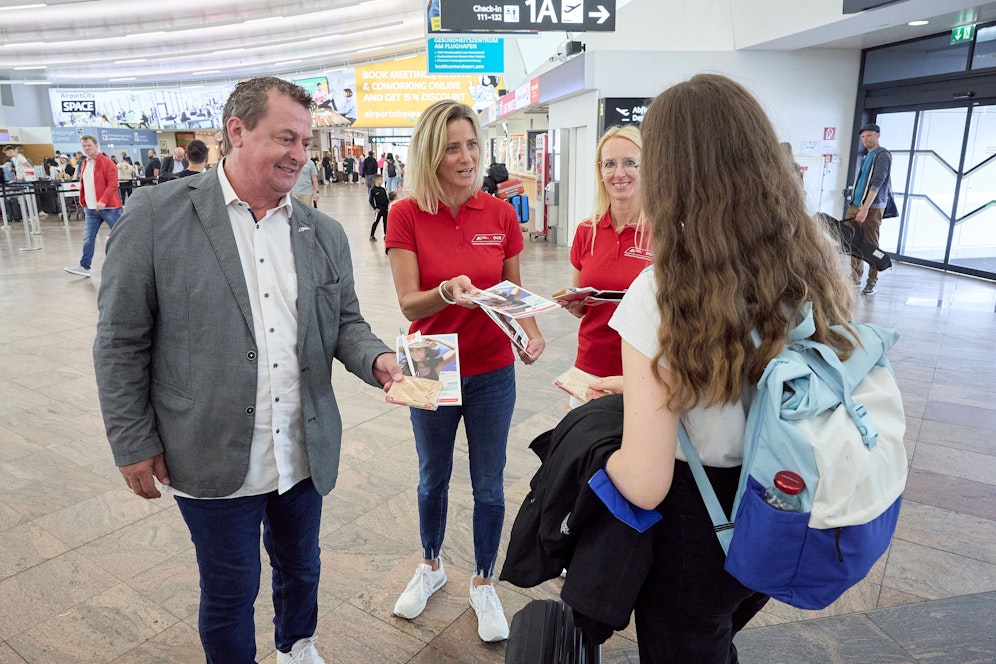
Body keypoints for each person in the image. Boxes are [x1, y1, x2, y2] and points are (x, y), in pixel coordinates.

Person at [92, 76, 404, 664]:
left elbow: (345, 324)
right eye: (285, 137)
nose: (299, 155)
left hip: (302, 451)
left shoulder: (324, 232)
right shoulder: (157, 216)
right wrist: (132, 440)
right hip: (209, 450)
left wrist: (380, 360)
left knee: (301, 569)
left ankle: (296, 647)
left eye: (306, 142)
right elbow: (119, 341)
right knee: (231, 592)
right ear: (235, 132)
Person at [602, 73, 855, 663]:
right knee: (717, 635)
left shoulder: (661, 292)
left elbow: (645, 480)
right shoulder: (810, 261)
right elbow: (756, 375)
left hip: (701, 526)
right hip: (787, 504)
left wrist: (593, 455)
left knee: (689, 639)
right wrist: (632, 386)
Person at [385, 99, 546, 643]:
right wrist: (446, 291)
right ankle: (430, 567)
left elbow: (510, 291)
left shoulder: (499, 213)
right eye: (453, 147)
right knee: (432, 476)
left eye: (472, 144)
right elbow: (409, 305)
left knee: (489, 485)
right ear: (431, 153)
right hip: (429, 357)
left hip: (492, 364)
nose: (466, 156)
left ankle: (483, 581)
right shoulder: (405, 213)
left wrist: (530, 330)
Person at [561, 126, 652, 407]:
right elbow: (582, 308)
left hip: (644, 371)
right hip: (590, 368)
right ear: (600, 172)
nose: (618, 173)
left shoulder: (665, 233)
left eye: (629, 163)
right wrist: (575, 304)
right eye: (610, 164)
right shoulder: (586, 231)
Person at [847, 122, 895, 295]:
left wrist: (865, 209)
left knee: (871, 245)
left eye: (869, 136)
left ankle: (872, 281)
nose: (865, 139)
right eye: (863, 137)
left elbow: (877, 183)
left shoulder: (883, 155)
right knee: (852, 242)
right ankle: (854, 277)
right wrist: (856, 205)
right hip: (855, 205)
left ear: (877, 135)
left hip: (872, 208)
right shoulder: (867, 156)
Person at [64, 135, 122, 278]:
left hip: (110, 208)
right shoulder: (84, 163)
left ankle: (129, 264)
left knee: (121, 236)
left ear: (96, 145)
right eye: (84, 146)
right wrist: (83, 201)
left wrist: (103, 200)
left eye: (89, 145)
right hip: (90, 208)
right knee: (88, 237)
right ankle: (84, 266)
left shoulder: (107, 162)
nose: (86, 148)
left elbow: (113, 184)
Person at [369, 173, 389, 240]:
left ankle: (386, 235)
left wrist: (388, 206)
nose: (382, 181)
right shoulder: (373, 190)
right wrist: (375, 208)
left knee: (385, 222)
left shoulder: (383, 189)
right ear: (376, 180)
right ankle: (372, 235)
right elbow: (371, 200)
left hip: (385, 209)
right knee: (375, 222)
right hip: (378, 210)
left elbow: (386, 199)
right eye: (381, 179)